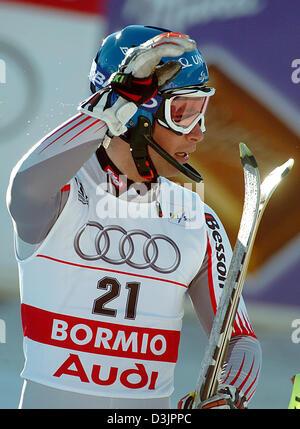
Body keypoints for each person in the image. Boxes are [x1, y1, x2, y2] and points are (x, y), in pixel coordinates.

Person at [7, 25, 261, 409]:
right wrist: (112, 103)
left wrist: (229, 395)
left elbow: (239, 339)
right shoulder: (61, 192)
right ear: (133, 116)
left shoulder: (199, 218)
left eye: (200, 112)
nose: (198, 134)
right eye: (182, 113)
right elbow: (23, 189)